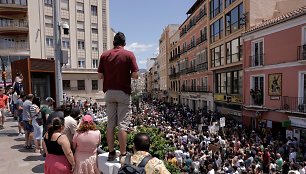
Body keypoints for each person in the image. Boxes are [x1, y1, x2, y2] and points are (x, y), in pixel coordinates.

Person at [97, 31, 139, 161]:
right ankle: (122, 154)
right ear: (124, 43)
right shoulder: (129, 55)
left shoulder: (104, 55)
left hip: (109, 92)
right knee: (122, 125)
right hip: (123, 92)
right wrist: (127, 75)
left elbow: (99, 76)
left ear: (114, 43)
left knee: (110, 124)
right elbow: (136, 75)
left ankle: (110, 152)